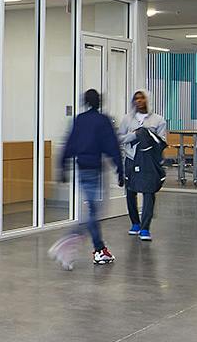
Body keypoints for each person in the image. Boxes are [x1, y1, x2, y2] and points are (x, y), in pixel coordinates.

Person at [57, 89, 124, 267]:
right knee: (95, 212)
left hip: (82, 169)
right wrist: (120, 170)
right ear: (98, 102)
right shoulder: (103, 121)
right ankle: (73, 238)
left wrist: (62, 166)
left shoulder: (80, 120)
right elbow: (113, 146)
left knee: (93, 211)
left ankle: (99, 250)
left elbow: (69, 143)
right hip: (94, 170)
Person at [118, 90, 168, 240]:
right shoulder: (127, 119)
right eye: (136, 99)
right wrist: (135, 134)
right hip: (131, 159)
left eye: (142, 98)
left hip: (149, 161)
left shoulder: (158, 120)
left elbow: (162, 141)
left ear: (147, 100)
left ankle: (145, 228)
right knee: (131, 191)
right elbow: (120, 138)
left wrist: (146, 134)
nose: (139, 101)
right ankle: (135, 223)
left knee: (148, 192)